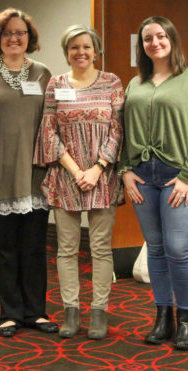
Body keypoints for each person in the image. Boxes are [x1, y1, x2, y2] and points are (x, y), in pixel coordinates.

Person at [118, 16, 188, 350]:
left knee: (178, 246)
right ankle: (163, 317)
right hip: (143, 178)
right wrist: (125, 170)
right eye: (147, 39)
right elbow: (123, 130)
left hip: (180, 177)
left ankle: (187, 320)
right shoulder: (135, 83)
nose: (154, 43)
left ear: (171, 39)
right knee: (156, 248)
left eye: (160, 36)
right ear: (141, 46)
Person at [0, 7, 57, 338]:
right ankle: (9, 312)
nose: (15, 38)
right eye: (8, 33)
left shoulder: (44, 73)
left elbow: (53, 122)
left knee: (35, 247)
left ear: (29, 38)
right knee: (4, 248)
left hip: (35, 173)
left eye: (21, 33)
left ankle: (35, 311)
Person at [34, 25, 123, 340]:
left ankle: (99, 311)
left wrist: (97, 168)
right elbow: (49, 132)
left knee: (100, 248)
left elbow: (117, 131)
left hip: (102, 177)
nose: (81, 53)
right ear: (66, 52)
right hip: (66, 176)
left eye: (86, 47)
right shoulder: (56, 84)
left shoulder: (112, 82)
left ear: (95, 50)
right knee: (66, 248)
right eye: (74, 48)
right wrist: (75, 171)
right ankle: (71, 311)